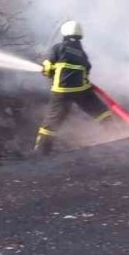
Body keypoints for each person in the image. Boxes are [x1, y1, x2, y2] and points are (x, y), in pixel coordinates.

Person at [34, 20, 114, 155]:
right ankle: (116, 136)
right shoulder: (82, 53)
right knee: (101, 112)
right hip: (81, 91)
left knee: (52, 122)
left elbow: (47, 68)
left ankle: (41, 152)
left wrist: (49, 71)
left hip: (61, 92)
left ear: (64, 33)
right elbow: (86, 70)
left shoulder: (58, 48)